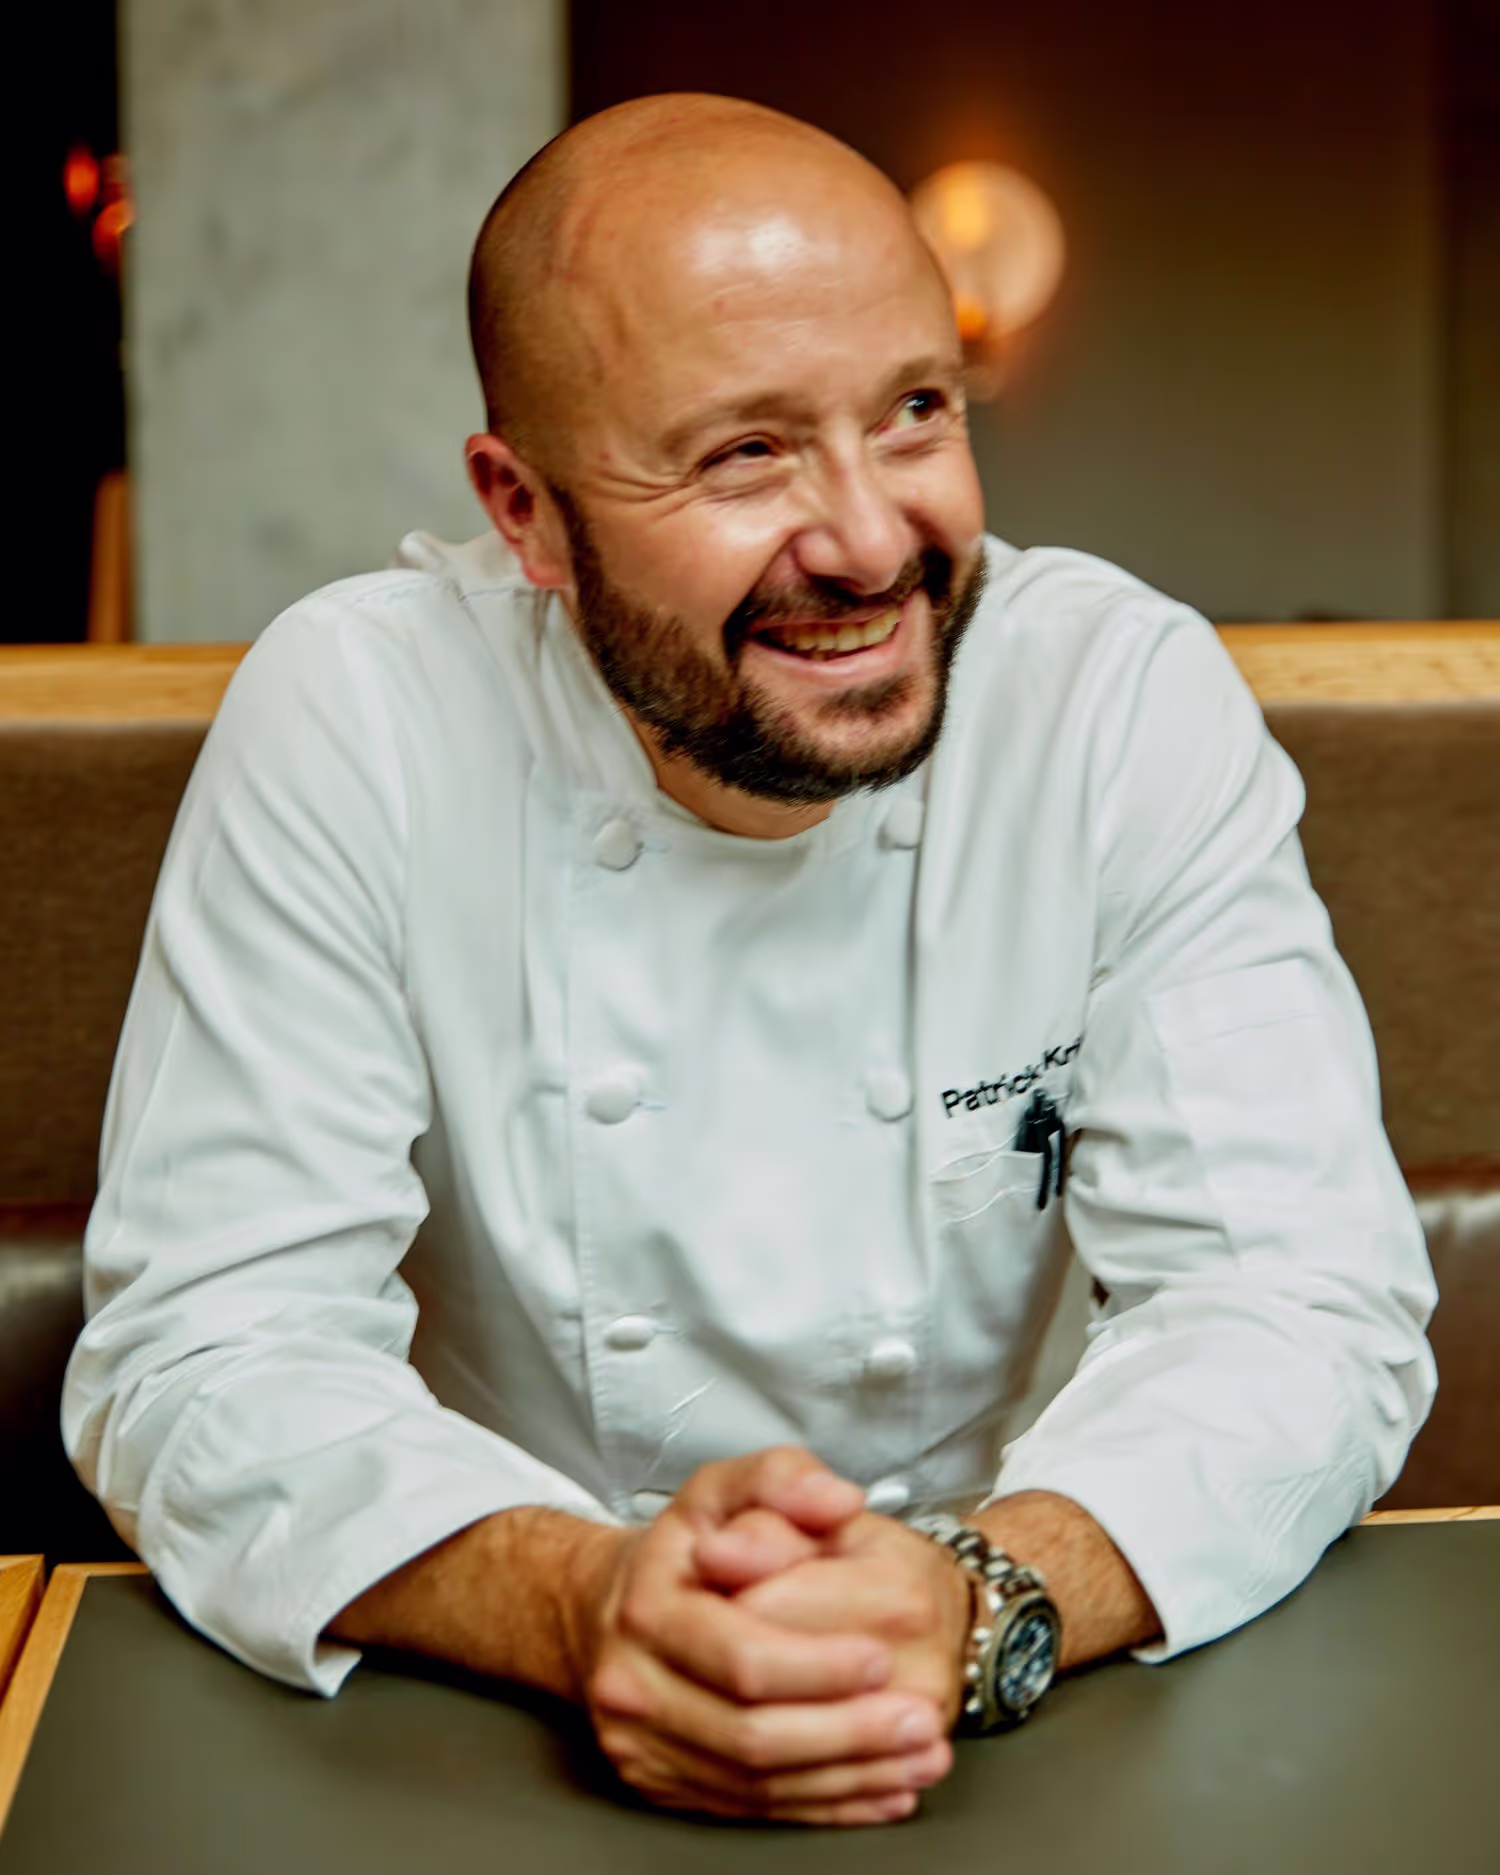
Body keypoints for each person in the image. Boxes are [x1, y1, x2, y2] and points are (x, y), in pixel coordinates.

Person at [63, 93, 1436, 1828]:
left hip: (1018, 1710)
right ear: (526, 513)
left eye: (914, 413)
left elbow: (1297, 1301)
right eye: (744, 455)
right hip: (497, 1721)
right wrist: (581, 1602)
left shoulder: (1112, 697)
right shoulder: (362, 718)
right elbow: (207, 1344)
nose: (869, 543)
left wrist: (973, 1593)